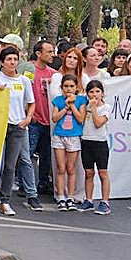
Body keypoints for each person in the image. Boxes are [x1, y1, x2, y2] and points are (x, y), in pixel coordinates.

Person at [0, 46, 33, 217]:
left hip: (17, 127)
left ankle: (4, 201)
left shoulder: (24, 81)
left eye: (15, 59)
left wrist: (28, 118)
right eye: (9, 59)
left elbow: (31, 102)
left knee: (10, 166)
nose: (12, 62)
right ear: (2, 62)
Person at [50, 74, 87, 211]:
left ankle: (70, 197)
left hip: (74, 137)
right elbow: (54, 118)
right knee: (61, 168)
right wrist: (65, 108)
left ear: (76, 87)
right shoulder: (58, 100)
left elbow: (80, 118)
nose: (69, 89)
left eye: (71, 86)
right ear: (61, 88)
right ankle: (60, 196)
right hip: (59, 136)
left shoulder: (81, 100)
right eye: (66, 86)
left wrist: (72, 105)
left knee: (71, 168)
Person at [27, 41, 56, 199]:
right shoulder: (29, 70)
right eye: (49, 52)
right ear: (38, 53)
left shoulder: (53, 74)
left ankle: (43, 182)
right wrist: (29, 114)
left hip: (49, 120)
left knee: (46, 155)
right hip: (34, 120)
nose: (52, 55)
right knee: (28, 154)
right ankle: (27, 184)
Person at [80, 80, 112, 215]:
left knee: (102, 173)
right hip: (86, 142)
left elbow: (98, 123)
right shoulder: (84, 106)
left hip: (100, 143)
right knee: (88, 173)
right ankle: (88, 200)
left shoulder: (106, 108)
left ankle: (105, 202)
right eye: (91, 92)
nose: (94, 94)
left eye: (97, 91)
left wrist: (93, 108)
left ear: (102, 93)